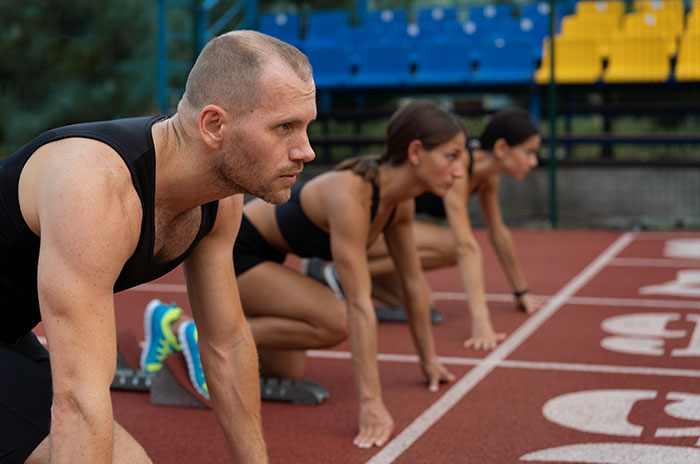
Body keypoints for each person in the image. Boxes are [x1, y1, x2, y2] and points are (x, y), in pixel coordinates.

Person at [0, 30, 316, 464]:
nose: (307, 150)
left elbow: (225, 344)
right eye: (285, 127)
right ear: (214, 125)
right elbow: (78, 402)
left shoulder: (220, 198)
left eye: (306, 126)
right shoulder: (95, 187)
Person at [142, 99, 463, 449]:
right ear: (416, 152)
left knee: (289, 369)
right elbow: (358, 303)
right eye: (451, 156)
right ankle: (193, 331)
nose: (460, 171)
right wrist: (371, 404)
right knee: (335, 319)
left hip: (271, 258)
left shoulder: (399, 202)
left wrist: (429, 361)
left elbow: (413, 283)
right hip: (237, 251)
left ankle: (175, 324)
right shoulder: (352, 195)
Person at [366, 108, 543, 350]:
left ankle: (341, 274)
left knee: (424, 304)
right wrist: (482, 322)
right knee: (452, 246)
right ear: (502, 149)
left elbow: (498, 233)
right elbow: (465, 245)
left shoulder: (487, 176)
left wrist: (521, 291)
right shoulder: (459, 166)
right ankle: (339, 267)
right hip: (370, 226)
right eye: (529, 152)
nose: (534, 162)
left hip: (392, 229)